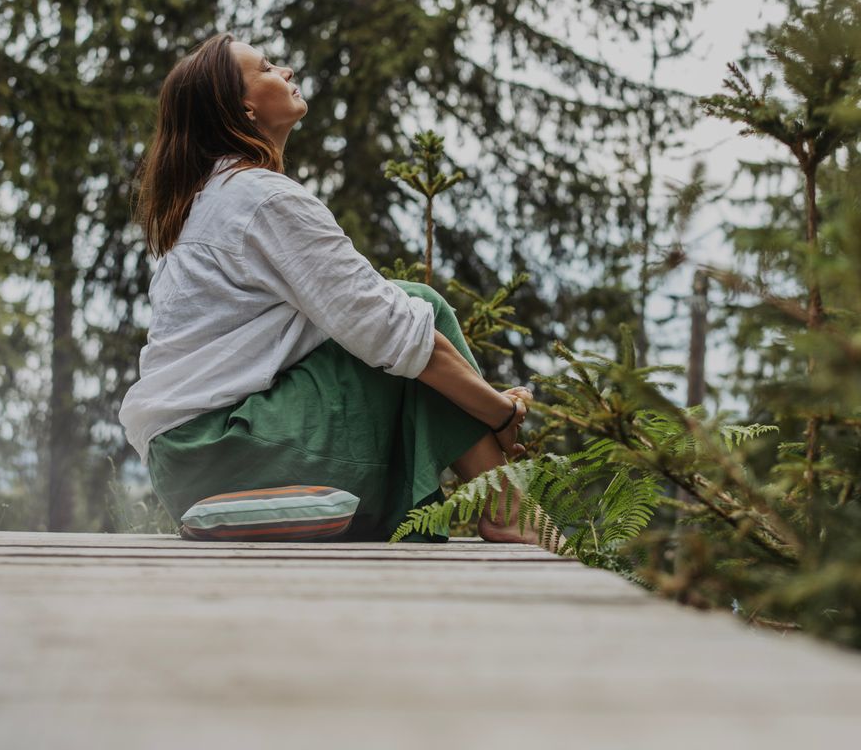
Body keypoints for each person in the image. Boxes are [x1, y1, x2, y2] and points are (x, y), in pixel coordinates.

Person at [118, 33, 549, 545]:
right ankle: (508, 509)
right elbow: (392, 331)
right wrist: (500, 413)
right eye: (268, 68)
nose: (287, 72)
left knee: (400, 320)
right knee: (420, 307)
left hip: (186, 465)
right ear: (242, 108)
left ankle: (502, 506)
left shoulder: (204, 204)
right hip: (232, 449)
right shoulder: (261, 199)